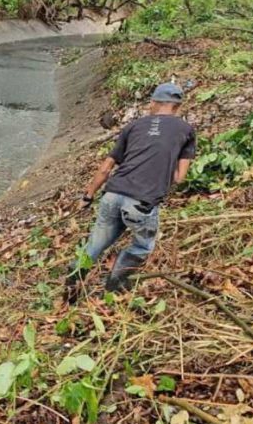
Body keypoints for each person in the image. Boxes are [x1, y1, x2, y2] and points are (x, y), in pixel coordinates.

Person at [65, 83, 196, 302]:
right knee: (142, 246)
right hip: (142, 202)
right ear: (178, 106)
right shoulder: (186, 131)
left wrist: (87, 196)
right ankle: (114, 288)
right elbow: (179, 178)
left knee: (96, 243)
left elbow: (105, 168)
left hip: (112, 194)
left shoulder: (134, 126)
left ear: (154, 103)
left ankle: (72, 286)